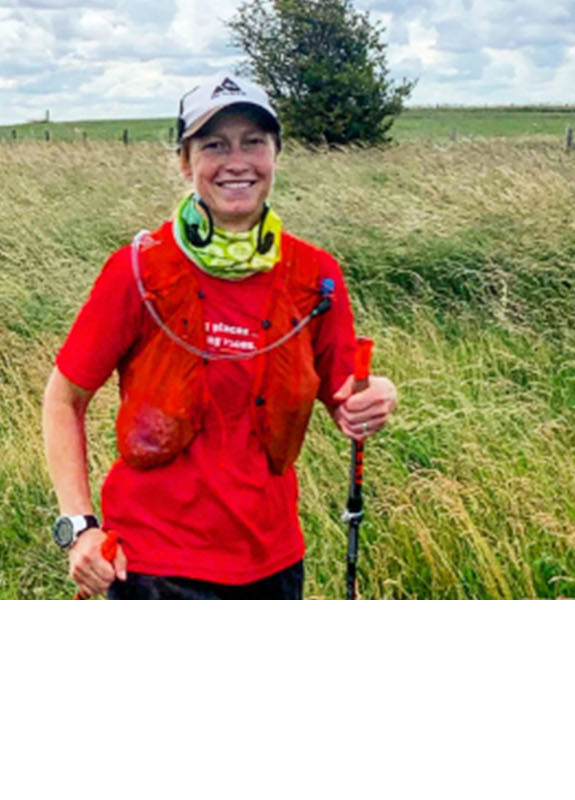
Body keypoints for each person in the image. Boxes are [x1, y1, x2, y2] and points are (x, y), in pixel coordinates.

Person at [41, 74, 398, 600]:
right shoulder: (138, 271)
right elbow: (63, 399)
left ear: (276, 154)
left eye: (254, 142)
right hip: (151, 568)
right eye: (215, 145)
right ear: (186, 162)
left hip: (272, 565)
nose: (237, 161)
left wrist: (376, 398)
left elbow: (348, 395)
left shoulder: (316, 276)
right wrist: (80, 525)